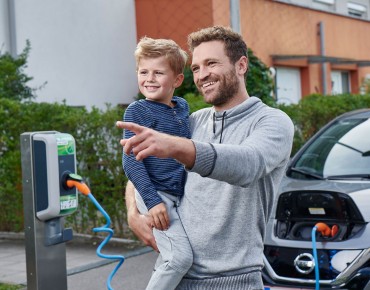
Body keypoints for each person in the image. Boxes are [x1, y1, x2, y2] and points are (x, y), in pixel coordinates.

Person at [118, 26, 294, 290]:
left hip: (234, 281)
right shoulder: (192, 121)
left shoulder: (271, 122)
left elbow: (248, 164)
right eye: (197, 67)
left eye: (211, 63)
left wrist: (175, 147)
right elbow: (148, 164)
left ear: (241, 65)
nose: (202, 75)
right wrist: (134, 211)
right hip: (178, 277)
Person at [122, 36, 192, 290]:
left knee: (172, 254)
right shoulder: (138, 111)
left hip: (179, 195)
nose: (149, 78)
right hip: (156, 194)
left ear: (177, 80)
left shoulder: (182, 108)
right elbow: (131, 163)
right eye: (143, 71)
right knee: (179, 257)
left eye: (158, 72)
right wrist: (152, 202)